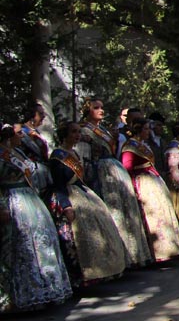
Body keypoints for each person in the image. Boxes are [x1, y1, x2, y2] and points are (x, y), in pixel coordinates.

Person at [45, 121, 128, 287]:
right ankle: (80, 276)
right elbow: (59, 185)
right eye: (73, 132)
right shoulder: (57, 156)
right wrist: (66, 206)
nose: (77, 135)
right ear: (64, 135)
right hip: (68, 197)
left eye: (78, 132)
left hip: (81, 192)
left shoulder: (74, 153)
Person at [1, 124, 73, 312]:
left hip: (29, 200)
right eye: (18, 135)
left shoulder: (17, 152)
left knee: (41, 244)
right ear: (8, 137)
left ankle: (45, 289)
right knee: (22, 247)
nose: (22, 137)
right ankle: (20, 295)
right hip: (13, 200)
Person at [77, 98, 153, 267]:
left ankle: (131, 255)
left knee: (125, 210)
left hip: (112, 170)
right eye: (96, 108)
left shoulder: (103, 130)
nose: (101, 110)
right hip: (99, 173)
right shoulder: (83, 131)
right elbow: (83, 156)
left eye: (102, 107)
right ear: (87, 110)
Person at [121, 117, 179, 262]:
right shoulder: (130, 146)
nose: (148, 132)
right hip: (142, 183)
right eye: (146, 129)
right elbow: (127, 166)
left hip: (152, 180)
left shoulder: (142, 145)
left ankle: (169, 248)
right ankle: (156, 251)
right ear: (138, 130)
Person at [19, 104, 52, 193]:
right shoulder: (21, 134)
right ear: (31, 116)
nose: (44, 116)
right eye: (41, 114)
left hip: (43, 174)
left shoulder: (36, 132)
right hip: (32, 175)